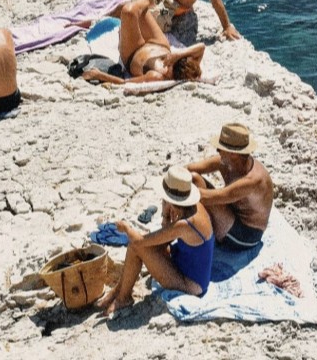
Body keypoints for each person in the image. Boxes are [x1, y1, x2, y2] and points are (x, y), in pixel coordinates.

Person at [96, 166, 215, 316]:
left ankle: (123, 297)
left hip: (190, 285)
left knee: (136, 245)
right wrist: (166, 216)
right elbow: (163, 238)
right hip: (188, 267)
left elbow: (140, 241)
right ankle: (119, 291)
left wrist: (126, 228)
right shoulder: (196, 208)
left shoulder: (184, 225)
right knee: (143, 244)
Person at [77, 0, 206, 85]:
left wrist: (100, 75)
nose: (167, 66)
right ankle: (147, 1)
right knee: (140, 10)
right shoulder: (187, 65)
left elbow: (126, 83)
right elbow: (201, 47)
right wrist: (178, 55)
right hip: (159, 44)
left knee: (128, 11)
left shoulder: (157, 76)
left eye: (169, 68)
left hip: (134, 51)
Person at [187, 122, 274, 253]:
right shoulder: (228, 162)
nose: (218, 151)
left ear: (233, 154)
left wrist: (177, 190)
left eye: (220, 148)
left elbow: (208, 198)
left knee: (192, 195)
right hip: (232, 215)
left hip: (246, 235)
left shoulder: (252, 180)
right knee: (193, 178)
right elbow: (190, 169)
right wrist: (176, 176)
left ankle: (192, 234)